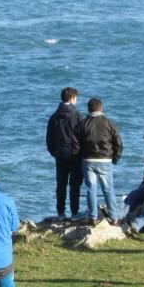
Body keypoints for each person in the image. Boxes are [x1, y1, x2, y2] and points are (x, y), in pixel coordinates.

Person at [78, 97, 123, 224]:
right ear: (101, 108)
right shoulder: (109, 123)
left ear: (88, 109)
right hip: (105, 160)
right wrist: (115, 158)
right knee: (108, 189)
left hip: (88, 160)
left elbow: (76, 143)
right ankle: (114, 217)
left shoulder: (83, 123)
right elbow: (118, 143)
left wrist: (81, 156)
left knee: (90, 189)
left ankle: (93, 217)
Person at [45, 87, 83, 218]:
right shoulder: (77, 115)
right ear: (72, 99)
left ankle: (60, 212)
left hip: (60, 153)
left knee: (61, 184)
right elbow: (83, 136)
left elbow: (49, 139)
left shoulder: (54, 116)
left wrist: (54, 152)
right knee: (75, 184)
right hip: (75, 154)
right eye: (76, 98)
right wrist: (80, 151)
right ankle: (75, 212)